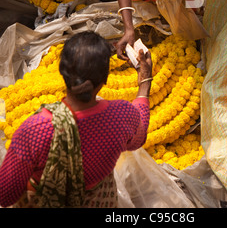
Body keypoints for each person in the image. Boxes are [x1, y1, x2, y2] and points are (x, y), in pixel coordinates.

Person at [0, 31, 152, 208]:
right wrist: (145, 80)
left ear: (62, 73)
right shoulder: (121, 116)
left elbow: (6, 195)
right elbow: (138, 139)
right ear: (105, 78)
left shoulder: (36, 130)